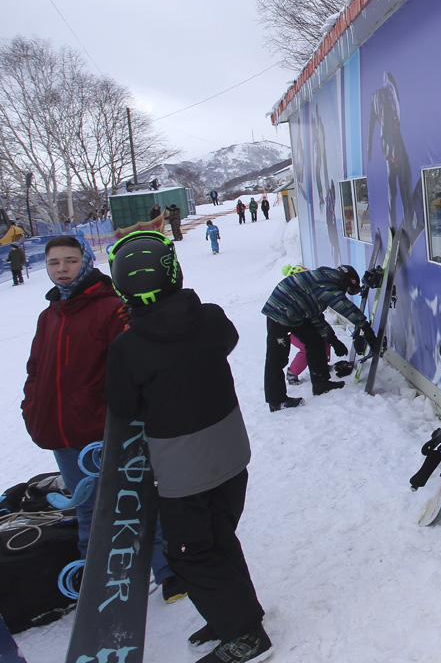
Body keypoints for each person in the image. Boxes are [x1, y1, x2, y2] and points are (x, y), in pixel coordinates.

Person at [106, 231, 272, 663]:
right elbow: (228, 342)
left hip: (183, 467)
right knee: (218, 536)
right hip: (231, 452)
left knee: (189, 554)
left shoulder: (128, 347)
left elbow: (123, 405)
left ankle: (245, 635)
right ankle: (237, 614)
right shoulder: (211, 317)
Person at [20, 235, 182, 600]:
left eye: (70, 261)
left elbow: (129, 366)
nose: (62, 270)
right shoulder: (49, 315)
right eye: (53, 263)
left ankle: (167, 571)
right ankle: (92, 575)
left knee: (132, 499)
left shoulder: (111, 307)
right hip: (61, 432)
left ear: (87, 261)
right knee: (87, 507)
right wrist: (31, 405)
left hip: (103, 428)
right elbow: (35, 368)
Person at [261, 264, 374, 411]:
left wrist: (333, 340)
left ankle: (321, 384)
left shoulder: (322, 284)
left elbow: (315, 317)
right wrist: (365, 326)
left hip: (296, 315)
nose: (344, 293)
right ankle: (277, 401)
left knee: (315, 341)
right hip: (279, 313)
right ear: (345, 281)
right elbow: (342, 305)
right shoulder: (326, 282)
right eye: (347, 290)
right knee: (276, 358)